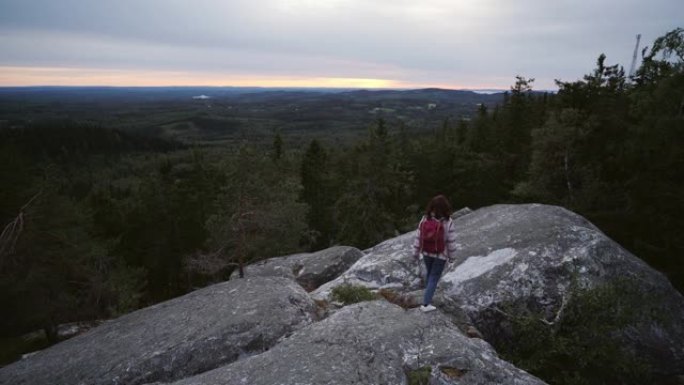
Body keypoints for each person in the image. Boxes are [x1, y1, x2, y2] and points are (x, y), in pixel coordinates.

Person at [412, 195, 458, 312]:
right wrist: (452, 258)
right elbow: (451, 242)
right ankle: (426, 304)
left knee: (430, 275)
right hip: (440, 255)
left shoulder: (424, 219)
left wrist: (415, 253)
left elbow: (418, 237)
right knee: (434, 277)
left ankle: (428, 295)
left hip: (426, 252)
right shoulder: (448, 222)